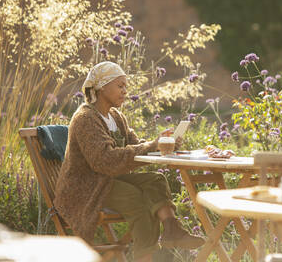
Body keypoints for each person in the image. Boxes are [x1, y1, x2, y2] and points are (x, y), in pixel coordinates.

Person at [54, 61, 205, 262]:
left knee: (156, 180)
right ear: (101, 87)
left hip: (107, 180)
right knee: (137, 200)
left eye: (126, 86)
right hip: (86, 187)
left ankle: (172, 230)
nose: (125, 91)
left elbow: (136, 144)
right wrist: (152, 146)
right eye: (120, 86)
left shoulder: (116, 116)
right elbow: (104, 161)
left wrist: (164, 144)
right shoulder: (85, 118)